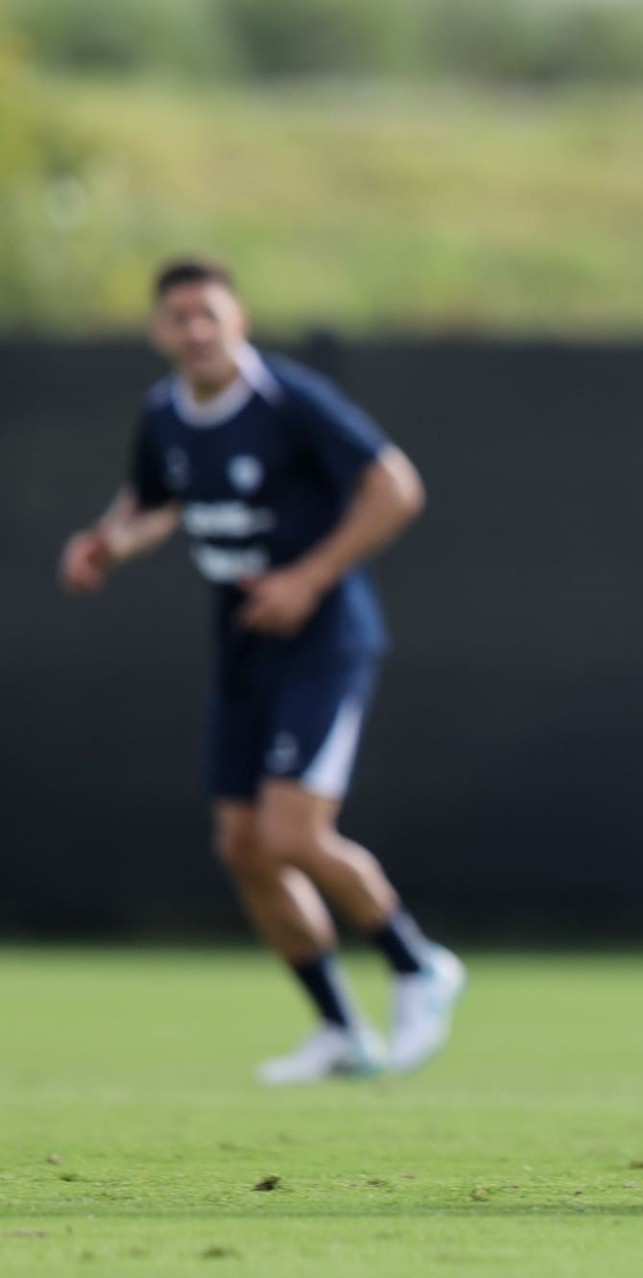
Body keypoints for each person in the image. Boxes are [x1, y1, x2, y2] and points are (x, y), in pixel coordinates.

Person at [58, 258, 466, 1085]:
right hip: (245, 644)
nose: (195, 330)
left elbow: (395, 488)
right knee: (244, 846)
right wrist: (107, 543)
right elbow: (155, 502)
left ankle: (417, 964)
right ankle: (341, 1031)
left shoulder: (288, 399)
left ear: (237, 319)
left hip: (325, 639)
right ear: (159, 331)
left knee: (292, 833)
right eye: (179, 317)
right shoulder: (164, 412)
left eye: (208, 313)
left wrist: (307, 579)